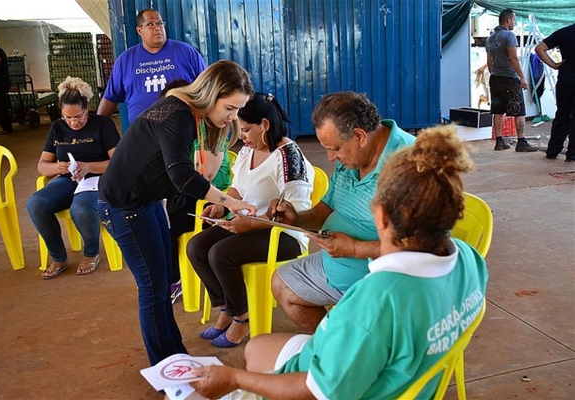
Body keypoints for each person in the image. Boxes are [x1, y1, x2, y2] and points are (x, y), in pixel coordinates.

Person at [185, 125, 489, 400]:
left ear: (381, 216)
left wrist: (233, 378)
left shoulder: (374, 302)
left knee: (254, 353)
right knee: (257, 346)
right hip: (403, 377)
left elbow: (313, 391)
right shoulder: (468, 258)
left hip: (355, 386)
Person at [97, 60, 257, 366]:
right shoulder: (177, 114)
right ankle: (167, 367)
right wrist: (229, 201)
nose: (232, 117)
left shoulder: (189, 111)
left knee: (159, 284)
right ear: (211, 94)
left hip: (147, 201)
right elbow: (181, 176)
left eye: (238, 110)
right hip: (125, 206)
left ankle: (173, 356)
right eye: (230, 108)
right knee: (153, 289)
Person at [270, 91, 415, 333]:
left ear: (359, 136)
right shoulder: (353, 160)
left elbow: (418, 248)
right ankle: (335, 347)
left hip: (387, 284)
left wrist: (355, 249)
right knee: (283, 284)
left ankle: (350, 349)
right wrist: (297, 218)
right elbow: (326, 208)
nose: (330, 157)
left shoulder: (411, 167)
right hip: (339, 268)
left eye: (335, 148)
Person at [186, 92, 314, 348]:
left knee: (221, 253)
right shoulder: (247, 150)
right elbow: (237, 188)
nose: (242, 136)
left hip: (284, 235)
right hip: (249, 225)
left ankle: (241, 320)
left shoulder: (289, 156)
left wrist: (250, 224)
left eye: (245, 129)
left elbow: (294, 213)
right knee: (197, 247)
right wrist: (222, 206)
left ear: (264, 125)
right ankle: (225, 309)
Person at [26, 77, 120, 279]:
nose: (73, 122)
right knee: (36, 204)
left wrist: (88, 167)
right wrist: (57, 168)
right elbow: (42, 165)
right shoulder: (57, 128)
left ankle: (91, 253)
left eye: (78, 116)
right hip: (67, 179)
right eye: (67, 118)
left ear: (87, 108)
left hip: (96, 179)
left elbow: (118, 163)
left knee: (81, 208)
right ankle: (58, 256)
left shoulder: (103, 125)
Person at [158, 79, 233, 305]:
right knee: (153, 215)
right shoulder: (172, 128)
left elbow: (201, 178)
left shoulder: (208, 128)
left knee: (165, 224)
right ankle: (167, 276)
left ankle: (174, 279)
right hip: (186, 193)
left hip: (211, 198)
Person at [97, 8, 206, 125]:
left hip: (182, 128)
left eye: (160, 24)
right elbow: (110, 98)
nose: (157, 28)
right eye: (150, 24)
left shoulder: (186, 52)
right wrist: (96, 129)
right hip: (142, 133)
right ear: (139, 30)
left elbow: (207, 86)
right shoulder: (125, 60)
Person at [485, 9, 536, 152]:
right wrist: (522, 77)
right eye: (513, 20)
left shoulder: (490, 39)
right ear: (508, 20)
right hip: (510, 78)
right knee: (519, 110)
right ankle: (521, 142)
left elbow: (489, 62)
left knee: (498, 110)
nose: (513, 22)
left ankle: (499, 141)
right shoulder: (509, 36)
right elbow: (513, 58)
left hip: (495, 78)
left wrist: (495, 74)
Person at [535, 23, 575, 162]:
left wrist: (554, 65)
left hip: (565, 79)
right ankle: (572, 154)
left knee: (562, 114)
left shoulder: (564, 32)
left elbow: (540, 49)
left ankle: (553, 150)